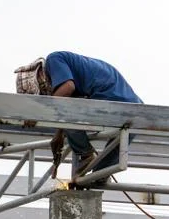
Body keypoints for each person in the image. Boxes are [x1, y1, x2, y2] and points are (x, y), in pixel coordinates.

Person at [14, 51, 143, 183]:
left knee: (65, 106)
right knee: (98, 176)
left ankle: (85, 154)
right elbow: (69, 99)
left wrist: (37, 113)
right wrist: (59, 134)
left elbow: (67, 89)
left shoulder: (54, 60)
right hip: (134, 110)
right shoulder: (72, 72)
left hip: (111, 102)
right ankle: (100, 175)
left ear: (39, 77)